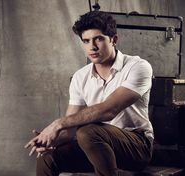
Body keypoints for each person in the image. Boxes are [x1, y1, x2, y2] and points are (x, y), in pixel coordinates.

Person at [25, 10, 154, 176]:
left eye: (98, 39)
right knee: (48, 157)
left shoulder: (138, 66)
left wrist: (57, 124)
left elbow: (109, 110)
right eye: (86, 41)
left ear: (114, 39)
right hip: (94, 146)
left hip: (136, 146)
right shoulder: (80, 76)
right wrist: (49, 140)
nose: (92, 47)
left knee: (88, 131)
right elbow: (70, 128)